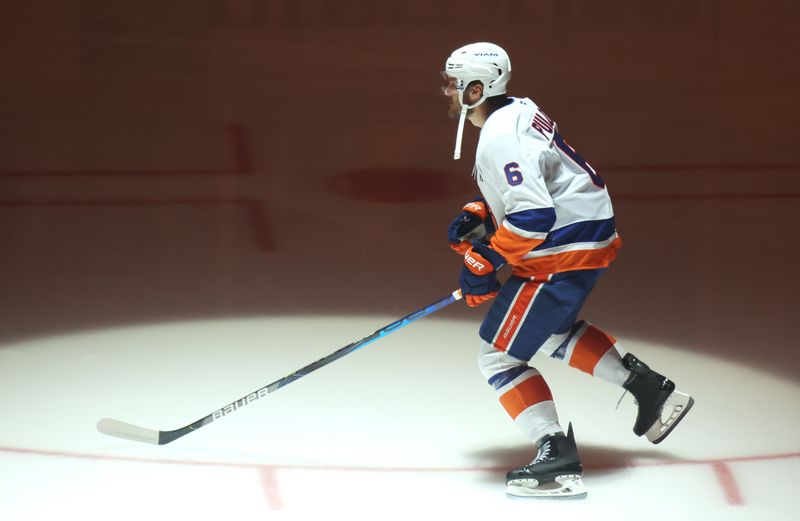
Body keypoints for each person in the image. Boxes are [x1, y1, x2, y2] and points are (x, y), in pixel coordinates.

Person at [442, 42, 694, 499]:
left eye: (453, 84)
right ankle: (651, 391)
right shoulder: (519, 108)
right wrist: (487, 212)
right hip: (586, 233)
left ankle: (556, 460)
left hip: (562, 248)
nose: (447, 92)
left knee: (498, 357)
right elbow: (544, 180)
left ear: (476, 89)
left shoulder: (499, 137)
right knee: (551, 332)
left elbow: (534, 215)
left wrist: (486, 258)